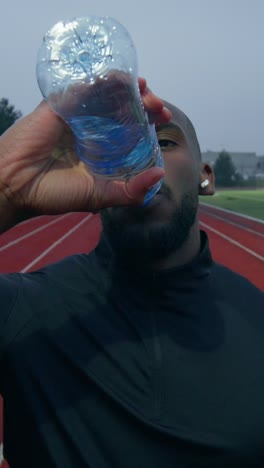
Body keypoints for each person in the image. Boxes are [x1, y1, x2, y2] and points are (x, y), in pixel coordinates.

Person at [0, 78, 264, 468]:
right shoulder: (21, 312)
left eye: (166, 142)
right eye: (120, 144)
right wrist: (5, 186)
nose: (143, 157)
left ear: (205, 176)